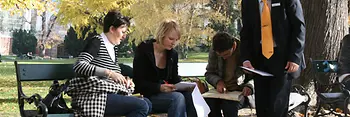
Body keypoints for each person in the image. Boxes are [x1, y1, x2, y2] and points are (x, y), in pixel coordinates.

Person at [66, 10, 151, 117]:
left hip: (109, 94)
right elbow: (79, 65)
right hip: (94, 96)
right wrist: (109, 73)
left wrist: (125, 80)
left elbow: (115, 74)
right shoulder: (96, 42)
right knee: (142, 106)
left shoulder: (112, 47)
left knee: (147, 103)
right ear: (112, 29)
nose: (124, 36)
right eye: (123, 32)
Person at [240, 0, 306, 117]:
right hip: (259, 60)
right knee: (262, 107)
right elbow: (246, 32)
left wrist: (295, 57)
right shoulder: (247, 2)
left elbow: (299, 27)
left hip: (283, 60)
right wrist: (246, 59)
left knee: (277, 107)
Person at [133, 19, 197, 117]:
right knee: (177, 98)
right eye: (171, 39)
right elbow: (138, 83)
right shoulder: (144, 50)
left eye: (176, 40)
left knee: (189, 95)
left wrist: (188, 86)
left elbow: (174, 79)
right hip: (146, 95)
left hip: (164, 95)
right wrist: (159, 88)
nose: (173, 43)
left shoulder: (172, 54)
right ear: (161, 35)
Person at [205, 32, 254, 117]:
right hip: (220, 92)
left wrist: (249, 86)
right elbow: (209, 73)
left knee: (229, 107)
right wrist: (218, 82)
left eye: (226, 54)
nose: (224, 57)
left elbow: (256, 76)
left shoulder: (244, 50)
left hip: (240, 92)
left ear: (234, 46)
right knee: (208, 104)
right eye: (220, 55)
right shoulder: (214, 51)